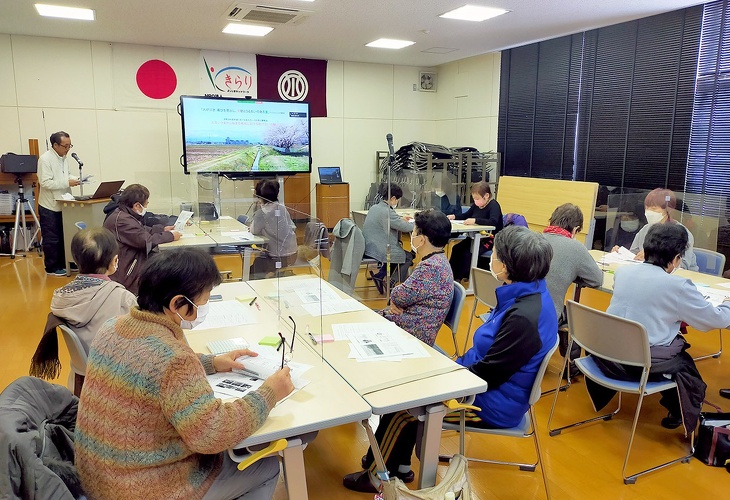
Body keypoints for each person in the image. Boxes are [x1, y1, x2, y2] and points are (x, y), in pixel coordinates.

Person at [344, 226, 557, 493]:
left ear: (508, 266)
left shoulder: (524, 318)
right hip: (485, 385)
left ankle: (377, 477)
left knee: (405, 406)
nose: (492, 258)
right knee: (409, 385)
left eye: (497, 254)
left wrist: (444, 378)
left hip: (489, 404)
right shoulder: (528, 295)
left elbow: (489, 376)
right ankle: (395, 464)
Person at [75, 248, 294, 500]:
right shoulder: (174, 358)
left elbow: (145, 368)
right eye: (203, 301)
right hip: (142, 489)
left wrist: (210, 362)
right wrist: (269, 394)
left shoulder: (112, 326)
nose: (204, 308)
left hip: (97, 477)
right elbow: (212, 434)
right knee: (265, 467)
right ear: (178, 304)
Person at [593, 223, 730, 433]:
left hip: (608, 354)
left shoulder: (623, 273)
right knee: (684, 363)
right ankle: (679, 412)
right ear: (676, 258)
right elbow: (714, 320)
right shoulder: (678, 286)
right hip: (640, 361)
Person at [30, 227, 137, 387]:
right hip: (116, 380)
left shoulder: (61, 297)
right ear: (114, 262)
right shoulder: (123, 297)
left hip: (80, 378)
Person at [543, 204, 603, 376]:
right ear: (576, 228)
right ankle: (574, 365)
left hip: (521, 309)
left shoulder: (536, 238)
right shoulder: (575, 248)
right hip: (548, 314)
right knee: (576, 314)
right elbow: (596, 280)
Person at [379, 209, 454, 345]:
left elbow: (397, 295)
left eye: (413, 232)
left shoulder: (431, 268)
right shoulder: (439, 260)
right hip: (410, 322)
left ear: (421, 239)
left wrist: (395, 299)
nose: (411, 235)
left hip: (412, 333)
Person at [103, 183, 180, 294]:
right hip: (127, 272)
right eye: (146, 204)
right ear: (137, 206)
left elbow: (141, 231)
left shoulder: (124, 214)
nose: (146, 207)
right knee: (168, 265)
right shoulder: (121, 220)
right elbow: (145, 241)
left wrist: (163, 229)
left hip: (131, 261)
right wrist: (171, 236)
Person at [613, 188, 699, 271]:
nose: (648, 212)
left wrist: (651, 256)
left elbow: (682, 266)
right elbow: (634, 254)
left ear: (669, 210)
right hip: (648, 274)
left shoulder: (682, 234)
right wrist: (621, 253)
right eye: (646, 208)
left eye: (653, 208)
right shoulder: (645, 229)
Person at [38, 131, 81, 276]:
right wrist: (66, 182)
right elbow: (44, 182)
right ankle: (52, 267)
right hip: (49, 205)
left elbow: (65, 175)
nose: (68, 149)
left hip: (64, 202)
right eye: (65, 146)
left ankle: (66, 263)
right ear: (55, 145)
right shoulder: (45, 159)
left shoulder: (63, 157)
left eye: (70, 145)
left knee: (65, 235)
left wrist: (77, 178)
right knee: (52, 237)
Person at [363, 183, 415, 293]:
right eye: (397, 200)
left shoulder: (375, 207)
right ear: (393, 198)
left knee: (396, 254)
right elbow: (405, 227)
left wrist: (400, 218)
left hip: (369, 247)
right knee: (407, 257)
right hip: (380, 249)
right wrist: (419, 224)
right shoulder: (388, 212)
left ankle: (380, 275)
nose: (397, 202)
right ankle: (393, 282)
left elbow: (393, 221)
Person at [447, 181, 504, 281]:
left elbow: (493, 221)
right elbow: (466, 215)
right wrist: (454, 216)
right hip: (475, 236)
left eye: (477, 198)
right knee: (457, 248)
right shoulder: (477, 205)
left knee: (468, 252)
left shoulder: (494, 205)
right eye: (474, 198)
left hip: (490, 239)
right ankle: (451, 276)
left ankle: (459, 278)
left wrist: (475, 220)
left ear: (486, 196)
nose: (475, 201)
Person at [249, 179, 298, 279]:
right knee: (258, 262)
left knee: (255, 267)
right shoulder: (282, 209)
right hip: (292, 254)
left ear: (259, 197)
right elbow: (291, 226)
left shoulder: (262, 213)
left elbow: (253, 230)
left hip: (277, 257)